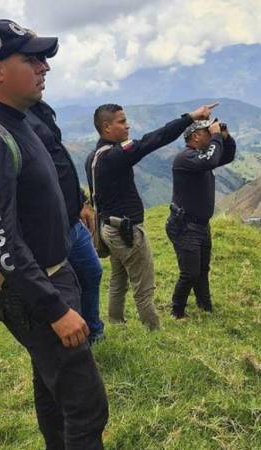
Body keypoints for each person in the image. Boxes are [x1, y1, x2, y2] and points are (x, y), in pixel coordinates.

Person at [0, 19, 108, 449]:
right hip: (34, 292)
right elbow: (3, 242)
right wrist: (55, 308)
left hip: (47, 278)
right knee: (86, 407)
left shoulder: (17, 120)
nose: (44, 67)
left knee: (55, 394)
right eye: (32, 58)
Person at [85, 103, 215, 330]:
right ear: (106, 127)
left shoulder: (94, 157)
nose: (128, 126)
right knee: (143, 286)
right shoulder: (114, 156)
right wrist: (190, 117)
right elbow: (154, 139)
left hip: (108, 228)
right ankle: (154, 330)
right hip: (126, 230)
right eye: (122, 121)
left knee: (119, 279)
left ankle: (116, 322)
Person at [26, 101, 105, 345]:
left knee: (91, 272)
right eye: (32, 61)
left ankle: (92, 331)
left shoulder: (37, 111)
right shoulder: (15, 122)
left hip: (71, 220)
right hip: (50, 227)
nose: (43, 69)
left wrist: (79, 201)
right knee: (64, 286)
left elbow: (60, 167)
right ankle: (75, 341)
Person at [166, 119, 236, 319]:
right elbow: (211, 160)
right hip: (185, 226)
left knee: (202, 269)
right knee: (190, 273)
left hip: (201, 226)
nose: (211, 133)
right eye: (207, 131)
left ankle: (205, 306)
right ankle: (177, 311)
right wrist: (215, 138)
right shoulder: (185, 158)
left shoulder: (200, 158)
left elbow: (227, 156)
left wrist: (225, 137)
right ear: (195, 136)